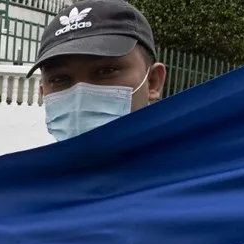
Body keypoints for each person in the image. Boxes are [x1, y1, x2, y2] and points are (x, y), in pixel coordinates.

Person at [27, 0, 167, 141]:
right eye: (59, 79)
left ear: (152, 81)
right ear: (43, 94)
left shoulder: (182, 160)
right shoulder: (31, 163)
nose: (80, 95)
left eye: (106, 71)